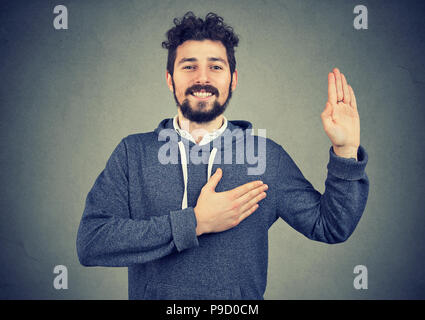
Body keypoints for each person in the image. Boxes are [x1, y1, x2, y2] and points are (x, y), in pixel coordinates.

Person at [76, 11, 369, 300]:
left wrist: (345, 151)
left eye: (216, 67)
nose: (202, 78)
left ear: (233, 79)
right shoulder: (133, 153)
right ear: (169, 79)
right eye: (189, 67)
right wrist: (195, 222)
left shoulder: (265, 156)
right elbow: (92, 241)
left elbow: (331, 226)